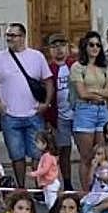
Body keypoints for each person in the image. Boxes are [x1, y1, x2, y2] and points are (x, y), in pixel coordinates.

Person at [0, 22, 52, 188]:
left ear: (23, 37)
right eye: (7, 35)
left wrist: (46, 103)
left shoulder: (37, 56)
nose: (9, 38)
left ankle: (39, 187)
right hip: (10, 115)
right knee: (16, 155)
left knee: (38, 154)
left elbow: (48, 80)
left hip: (34, 113)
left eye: (13, 35)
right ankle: (21, 187)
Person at [69, 30, 108, 193]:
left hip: (102, 110)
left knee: (103, 154)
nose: (95, 48)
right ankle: (86, 192)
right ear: (85, 46)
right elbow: (82, 93)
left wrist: (95, 91)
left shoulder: (104, 67)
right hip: (85, 110)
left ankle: (101, 189)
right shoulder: (77, 67)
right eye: (91, 45)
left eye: (98, 45)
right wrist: (100, 91)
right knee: (87, 156)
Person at [45, 32, 76, 189]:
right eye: (54, 46)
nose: (59, 50)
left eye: (62, 46)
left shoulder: (75, 65)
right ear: (50, 50)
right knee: (64, 150)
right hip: (59, 116)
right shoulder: (48, 69)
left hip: (78, 114)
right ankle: (68, 183)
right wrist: (49, 119)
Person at [31, 130, 61, 207]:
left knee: (52, 202)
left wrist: (34, 174)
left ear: (45, 144)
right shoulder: (46, 155)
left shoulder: (48, 156)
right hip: (48, 183)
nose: (36, 144)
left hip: (51, 183)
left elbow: (45, 169)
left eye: (38, 142)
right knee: (48, 201)